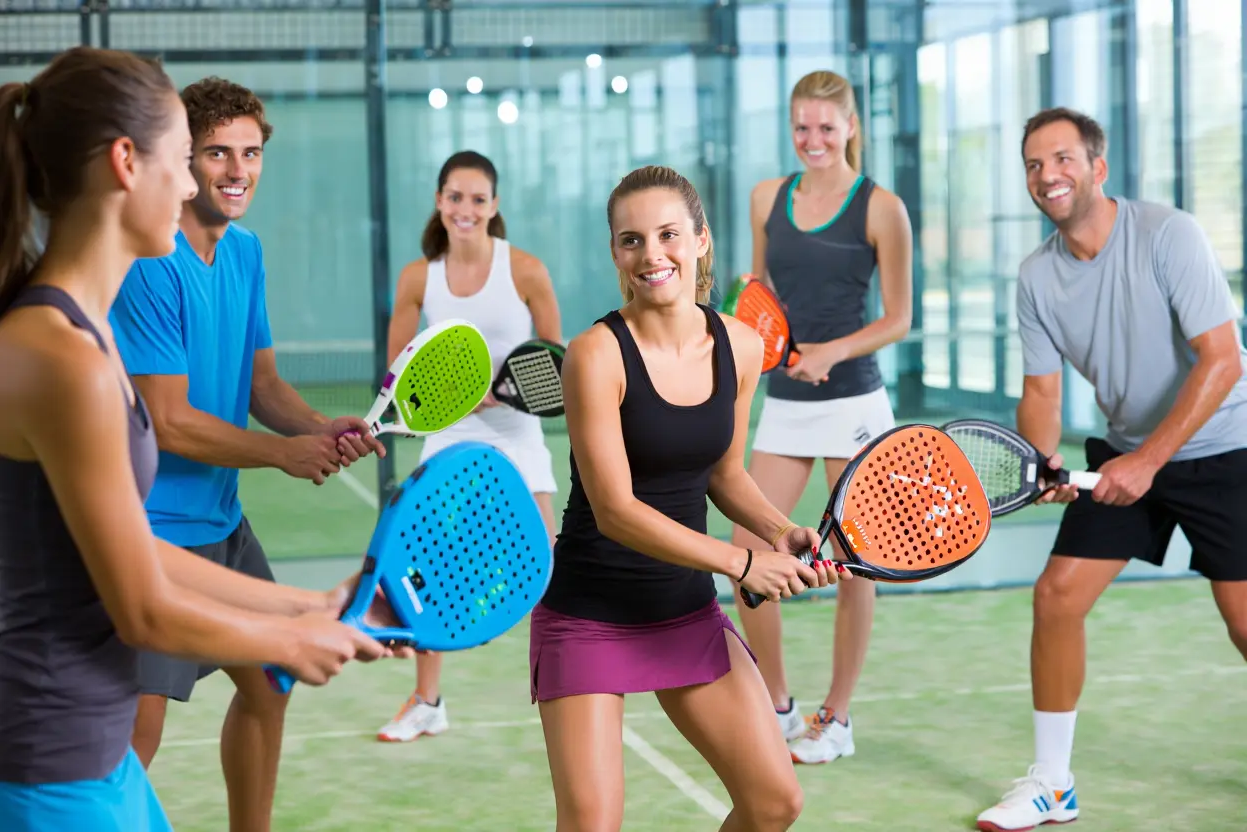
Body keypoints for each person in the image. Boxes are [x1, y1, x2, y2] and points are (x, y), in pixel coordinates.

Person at [0, 46, 397, 832]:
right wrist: (287, 638)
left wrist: (311, 603)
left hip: (89, 753)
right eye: (186, 158)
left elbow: (136, 562)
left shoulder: (80, 334)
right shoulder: (58, 352)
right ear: (125, 163)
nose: (192, 182)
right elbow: (144, 608)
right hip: (49, 762)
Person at [531, 164, 846, 832]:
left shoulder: (740, 345)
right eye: (632, 240)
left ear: (700, 240)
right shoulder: (595, 355)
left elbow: (724, 474)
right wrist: (741, 563)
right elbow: (615, 509)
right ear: (615, 252)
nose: (652, 255)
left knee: (774, 803)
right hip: (590, 612)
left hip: (682, 609)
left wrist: (778, 529)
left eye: (668, 234)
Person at [107, 76, 385, 830]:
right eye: (218, 153)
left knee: (269, 685)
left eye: (252, 153)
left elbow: (262, 382)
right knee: (134, 733)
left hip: (223, 524)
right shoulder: (149, 264)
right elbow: (170, 420)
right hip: (153, 531)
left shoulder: (246, 252)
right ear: (182, 160)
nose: (238, 171)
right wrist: (282, 454)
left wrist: (318, 427)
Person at [975, 106, 1247, 831]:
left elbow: (1224, 360)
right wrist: (1045, 459)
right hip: (1126, 451)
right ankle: (1053, 783)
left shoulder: (1168, 234)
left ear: (1097, 168)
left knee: (1244, 622)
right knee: (1057, 595)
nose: (1047, 176)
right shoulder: (1036, 276)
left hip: (1222, 444)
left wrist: (1151, 461)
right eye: (1033, 165)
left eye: (1061, 159)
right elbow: (1042, 392)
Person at [729, 68, 913, 764]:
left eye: (826, 128)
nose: (813, 139)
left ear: (851, 129)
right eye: (801, 127)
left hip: (856, 401)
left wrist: (830, 352)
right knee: (750, 551)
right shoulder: (765, 198)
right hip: (787, 399)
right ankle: (778, 705)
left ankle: (835, 718)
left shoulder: (881, 208)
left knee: (858, 561)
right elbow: (759, 292)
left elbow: (898, 317)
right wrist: (752, 345)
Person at [376, 149, 563, 743]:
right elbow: (397, 371)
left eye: (478, 199)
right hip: (447, 438)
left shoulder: (527, 270)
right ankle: (427, 701)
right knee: (427, 569)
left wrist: (501, 395)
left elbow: (553, 364)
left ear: (494, 206)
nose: (465, 208)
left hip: (518, 438)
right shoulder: (417, 277)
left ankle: (567, 692)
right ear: (439, 201)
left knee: (547, 571)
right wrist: (455, 391)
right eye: (455, 197)